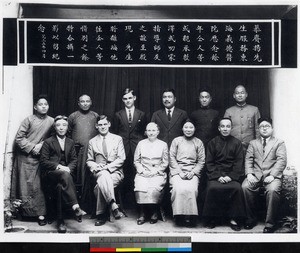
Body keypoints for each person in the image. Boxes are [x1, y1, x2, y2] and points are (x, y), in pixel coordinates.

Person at [11, 95, 54, 226]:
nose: (43, 106)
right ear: (35, 107)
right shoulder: (28, 120)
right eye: (40, 104)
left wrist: (41, 145)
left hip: (40, 158)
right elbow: (19, 138)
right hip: (25, 158)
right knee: (24, 187)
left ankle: (40, 214)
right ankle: (24, 213)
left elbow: (54, 136)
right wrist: (31, 147)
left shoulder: (52, 121)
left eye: (46, 104)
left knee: (38, 187)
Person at [40, 115, 86, 233]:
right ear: (55, 127)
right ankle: (75, 206)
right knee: (64, 175)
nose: (61, 128)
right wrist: (60, 167)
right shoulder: (48, 142)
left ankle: (60, 221)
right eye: (58, 125)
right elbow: (44, 161)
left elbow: (74, 160)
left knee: (61, 187)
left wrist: (69, 168)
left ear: (67, 128)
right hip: (51, 174)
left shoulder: (70, 142)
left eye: (64, 125)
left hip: (66, 174)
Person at [242, 117, 287, 233]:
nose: (264, 129)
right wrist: (249, 174)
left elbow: (281, 161)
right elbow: (248, 160)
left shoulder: (279, 143)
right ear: (258, 129)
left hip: (272, 176)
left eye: (267, 126)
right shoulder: (253, 143)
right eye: (262, 126)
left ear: (272, 128)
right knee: (245, 187)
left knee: (272, 190)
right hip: (256, 175)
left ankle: (270, 223)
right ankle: (251, 219)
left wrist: (272, 175)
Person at [202, 118, 245, 231]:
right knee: (212, 188)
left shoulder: (237, 143)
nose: (225, 129)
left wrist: (230, 176)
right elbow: (209, 162)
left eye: (228, 126)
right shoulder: (212, 142)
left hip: (231, 175)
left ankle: (233, 219)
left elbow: (239, 162)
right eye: (223, 126)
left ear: (231, 128)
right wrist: (218, 176)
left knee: (237, 188)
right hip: (216, 175)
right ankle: (212, 218)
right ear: (219, 128)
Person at [86, 115, 126, 226]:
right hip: (99, 172)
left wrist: (107, 167)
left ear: (109, 124)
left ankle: (101, 215)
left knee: (100, 186)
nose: (103, 126)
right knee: (103, 175)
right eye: (100, 125)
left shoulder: (117, 139)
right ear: (96, 126)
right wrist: (95, 166)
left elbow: (121, 158)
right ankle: (113, 204)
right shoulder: (92, 141)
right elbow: (89, 160)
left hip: (115, 172)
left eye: (105, 124)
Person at [113, 88, 147, 207]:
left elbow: (144, 133)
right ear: (122, 100)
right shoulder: (118, 114)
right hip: (123, 148)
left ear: (134, 98)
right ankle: (123, 204)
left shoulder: (142, 114)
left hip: (137, 148)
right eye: (125, 98)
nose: (128, 100)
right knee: (123, 175)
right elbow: (115, 133)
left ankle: (137, 203)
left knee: (136, 174)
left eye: (130, 98)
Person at [169, 119, 205, 227]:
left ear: (194, 129)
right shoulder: (176, 141)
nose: (188, 130)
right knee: (177, 188)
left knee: (192, 189)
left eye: (191, 127)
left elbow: (201, 160)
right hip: (178, 171)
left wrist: (193, 172)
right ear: (182, 128)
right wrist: (179, 172)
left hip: (192, 171)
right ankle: (179, 216)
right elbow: (171, 158)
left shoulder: (198, 142)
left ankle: (191, 216)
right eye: (186, 127)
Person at [67, 94, 99, 208]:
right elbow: (68, 133)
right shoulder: (73, 116)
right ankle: (79, 205)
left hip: (93, 152)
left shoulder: (95, 116)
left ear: (91, 102)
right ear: (78, 103)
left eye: (87, 101)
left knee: (92, 176)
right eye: (82, 101)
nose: (85, 103)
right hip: (78, 151)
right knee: (79, 177)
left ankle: (92, 205)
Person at [134, 122, 168, 225]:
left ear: (158, 132)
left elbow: (165, 161)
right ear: (146, 132)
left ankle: (154, 212)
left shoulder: (163, 144)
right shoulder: (141, 143)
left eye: (153, 130)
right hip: (143, 172)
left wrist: (156, 171)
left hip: (157, 172)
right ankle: (142, 213)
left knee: (154, 187)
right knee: (140, 185)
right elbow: (136, 161)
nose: (151, 133)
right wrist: (142, 171)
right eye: (149, 130)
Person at [224, 85, 261, 152]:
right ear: (234, 95)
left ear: (246, 94)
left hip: (250, 147)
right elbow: (225, 130)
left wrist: (257, 145)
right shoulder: (228, 111)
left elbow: (258, 129)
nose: (240, 95)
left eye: (242, 93)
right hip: (233, 147)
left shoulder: (254, 110)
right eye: (237, 93)